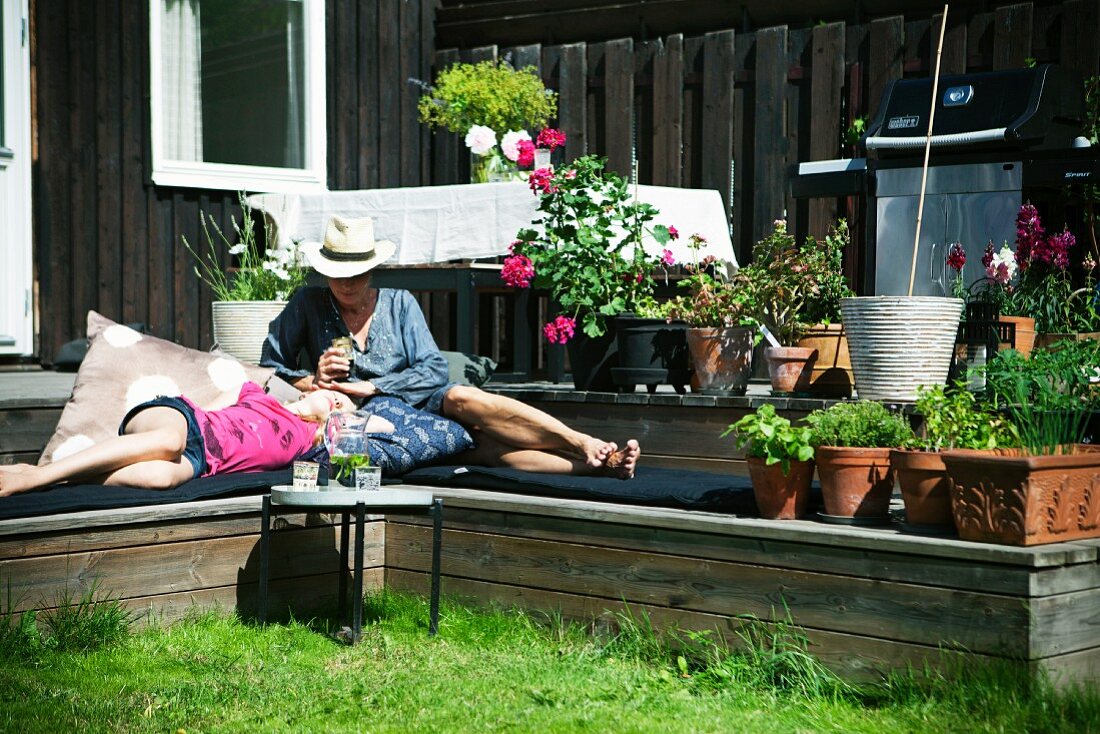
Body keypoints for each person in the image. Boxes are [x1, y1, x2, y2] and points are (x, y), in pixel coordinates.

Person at [261, 215, 641, 479]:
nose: (348, 282)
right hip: (368, 418)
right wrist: (312, 380)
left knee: (463, 396)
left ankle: (582, 441)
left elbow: (432, 369)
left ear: (372, 268)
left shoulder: (398, 302)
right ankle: (597, 464)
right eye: (339, 273)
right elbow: (270, 367)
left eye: (357, 272)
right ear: (326, 269)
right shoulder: (307, 304)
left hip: (414, 398)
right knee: (486, 448)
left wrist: (376, 386)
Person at [0, 381, 372, 498]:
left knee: (162, 477)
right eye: (333, 394)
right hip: (181, 421)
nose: (337, 400)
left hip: (203, 462)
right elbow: (200, 410)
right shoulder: (259, 394)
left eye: (343, 406)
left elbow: (373, 433)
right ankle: (36, 474)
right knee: (168, 441)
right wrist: (180, 422)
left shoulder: (309, 447)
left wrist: (349, 418)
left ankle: (65, 476)